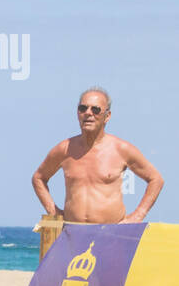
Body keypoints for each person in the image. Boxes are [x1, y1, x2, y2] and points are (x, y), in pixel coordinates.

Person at [32, 88, 163, 224]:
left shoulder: (121, 149)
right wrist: (53, 212)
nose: (88, 113)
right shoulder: (64, 149)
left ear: (107, 116)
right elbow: (38, 178)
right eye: (83, 108)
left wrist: (138, 215)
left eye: (95, 109)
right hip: (72, 233)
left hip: (111, 234)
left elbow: (156, 179)